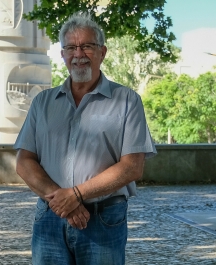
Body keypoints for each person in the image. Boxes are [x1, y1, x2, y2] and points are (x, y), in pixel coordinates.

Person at [14, 12, 157, 265]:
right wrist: (64, 200)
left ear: (102, 52)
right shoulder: (42, 102)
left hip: (103, 219)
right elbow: (24, 161)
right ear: (62, 55)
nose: (78, 54)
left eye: (87, 46)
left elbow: (132, 166)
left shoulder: (127, 101)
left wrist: (77, 194)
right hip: (49, 218)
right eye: (70, 47)